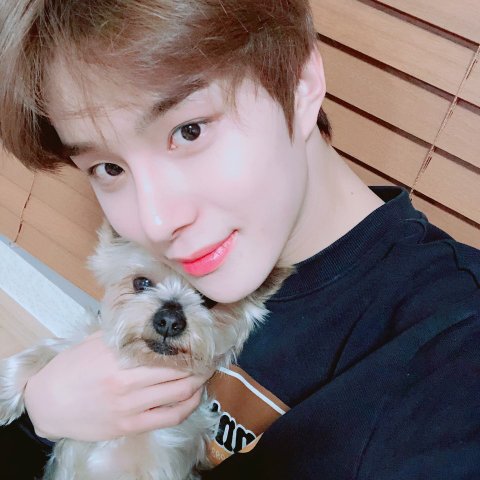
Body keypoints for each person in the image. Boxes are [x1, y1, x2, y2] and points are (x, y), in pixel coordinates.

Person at [1, 0, 479, 478]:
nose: (156, 221)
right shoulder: (180, 258)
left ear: (300, 83)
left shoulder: (450, 359)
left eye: (189, 131)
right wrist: (41, 416)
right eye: (109, 168)